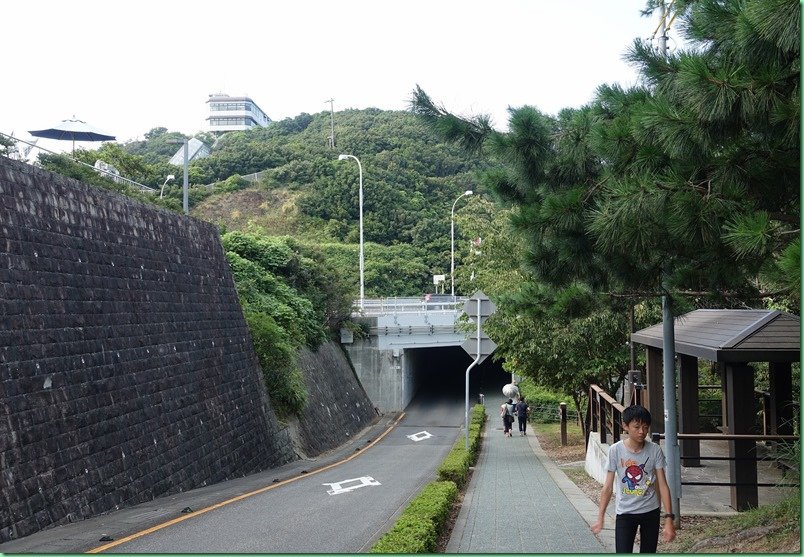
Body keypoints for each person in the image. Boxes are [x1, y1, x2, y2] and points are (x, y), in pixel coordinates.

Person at [590, 405, 676, 553]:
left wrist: (669, 519)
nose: (642, 432)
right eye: (637, 427)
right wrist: (600, 517)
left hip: (650, 511)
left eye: (645, 427)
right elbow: (608, 487)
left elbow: (663, 485)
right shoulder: (615, 450)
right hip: (625, 512)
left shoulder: (655, 450)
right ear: (625, 426)